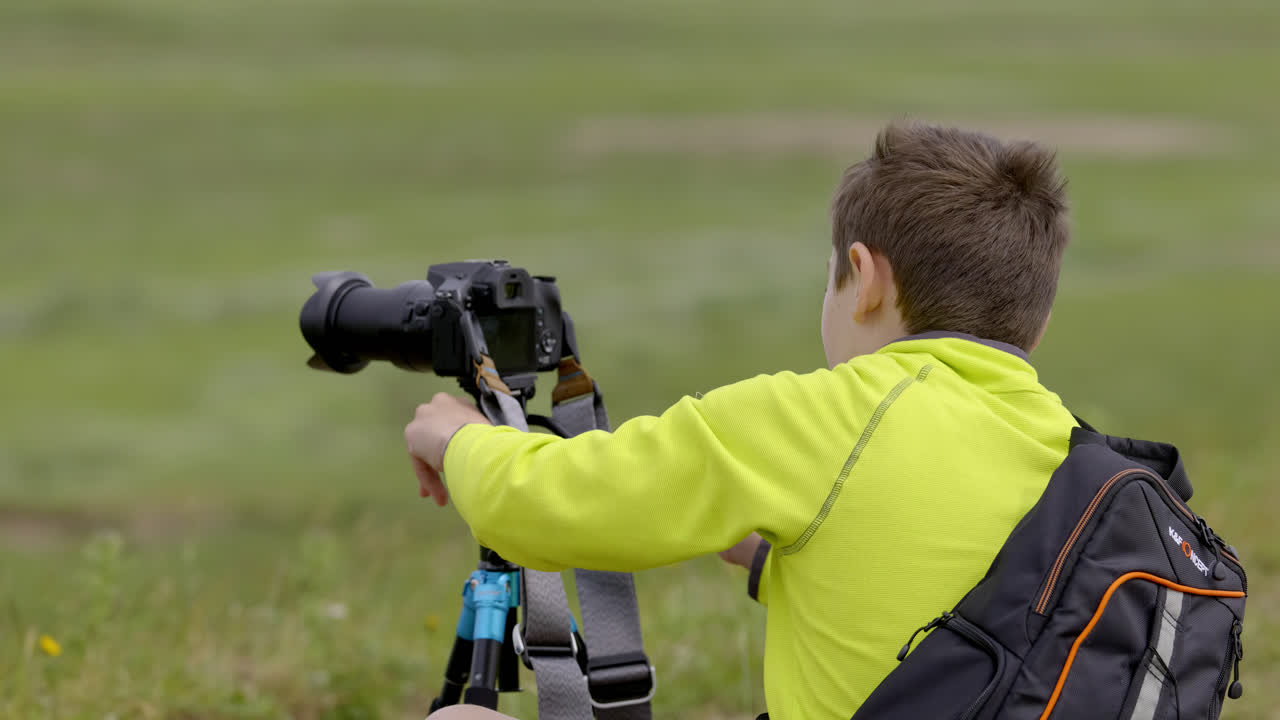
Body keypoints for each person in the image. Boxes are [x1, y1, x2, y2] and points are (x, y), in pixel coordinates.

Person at [406, 121, 1076, 719]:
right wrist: (768, 559)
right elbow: (955, 609)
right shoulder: (1077, 454)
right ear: (1038, 324)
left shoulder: (821, 418)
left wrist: (459, 437)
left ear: (864, 278)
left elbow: (545, 504)